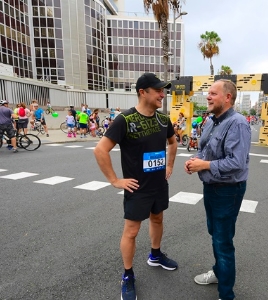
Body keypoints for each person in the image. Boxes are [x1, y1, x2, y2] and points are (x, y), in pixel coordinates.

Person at [93, 72, 178, 300]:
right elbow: (100, 150)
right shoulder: (125, 120)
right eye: (158, 90)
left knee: (158, 219)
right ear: (143, 92)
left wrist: (169, 165)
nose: (163, 94)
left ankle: (156, 255)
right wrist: (115, 180)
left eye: (163, 90)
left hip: (159, 184)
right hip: (137, 188)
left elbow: (173, 141)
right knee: (131, 231)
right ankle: (128, 275)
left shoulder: (163, 119)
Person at [184, 79, 251, 300]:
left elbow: (237, 162)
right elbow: (207, 151)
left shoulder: (238, 123)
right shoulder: (212, 121)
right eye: (208, 93)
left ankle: (226, 294)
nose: (208, 97)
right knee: (215, 233)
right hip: (211, 186)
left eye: (213, 93)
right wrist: (197, 161)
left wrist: (204, 165)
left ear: (228, 97)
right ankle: (218, 272)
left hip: (228, 190)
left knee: (223, 241)